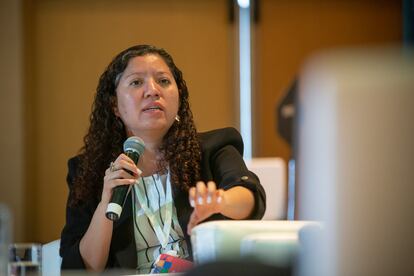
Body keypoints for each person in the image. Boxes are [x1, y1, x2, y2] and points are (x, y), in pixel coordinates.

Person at [59, 44, 266, 274]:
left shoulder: (213, 147)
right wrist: (105, 203)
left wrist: (220, 201)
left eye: (164, 81)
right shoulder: (89, 171)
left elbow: (251, 197)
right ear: (114, 105)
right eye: (136, 82)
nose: (153, 90)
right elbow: (79, 268)